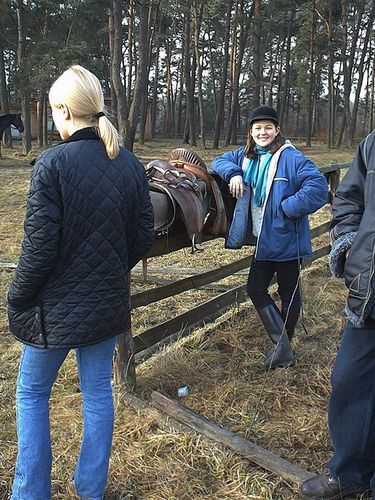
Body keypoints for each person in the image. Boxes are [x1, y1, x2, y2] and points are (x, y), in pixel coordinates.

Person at [7, 65, 154, 500]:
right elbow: (143, 233)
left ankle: (29, 493)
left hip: (54, 308)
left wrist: (18, 297)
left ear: (64, 111)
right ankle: (91, 489)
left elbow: (37, 250)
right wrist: (110, 269)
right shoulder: (127, 162)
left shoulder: (52, 164)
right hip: (106, 302)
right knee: (97, 393)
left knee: (31, 392)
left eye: (53, 110)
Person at [211, 105, 328, 369]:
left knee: (289, 294)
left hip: (287, 239)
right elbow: (218, 162)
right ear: (250, 132)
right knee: (255, 288)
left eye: (268, 127)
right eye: (257, 128)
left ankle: (282, 348)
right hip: (263, 238)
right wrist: (235, 173)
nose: (263, 132)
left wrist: (288, 208)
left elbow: (318, 187)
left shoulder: (291, 158)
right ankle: (283, 347)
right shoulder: (246, 155)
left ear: (277, 130)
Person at [300, 130, 375, 499]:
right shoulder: (374, 143)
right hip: (370, 292)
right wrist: (348, 245)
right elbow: (349, 197)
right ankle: (349, 472)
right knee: (351, 381)